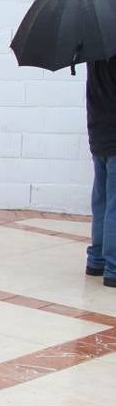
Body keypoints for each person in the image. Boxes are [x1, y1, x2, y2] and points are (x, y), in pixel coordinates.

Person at [85, 57, 116, 286]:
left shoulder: (93, 52)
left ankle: (96, 260)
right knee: (113, 204)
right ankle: (113, 267)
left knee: (101, 201)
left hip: (98, 134)